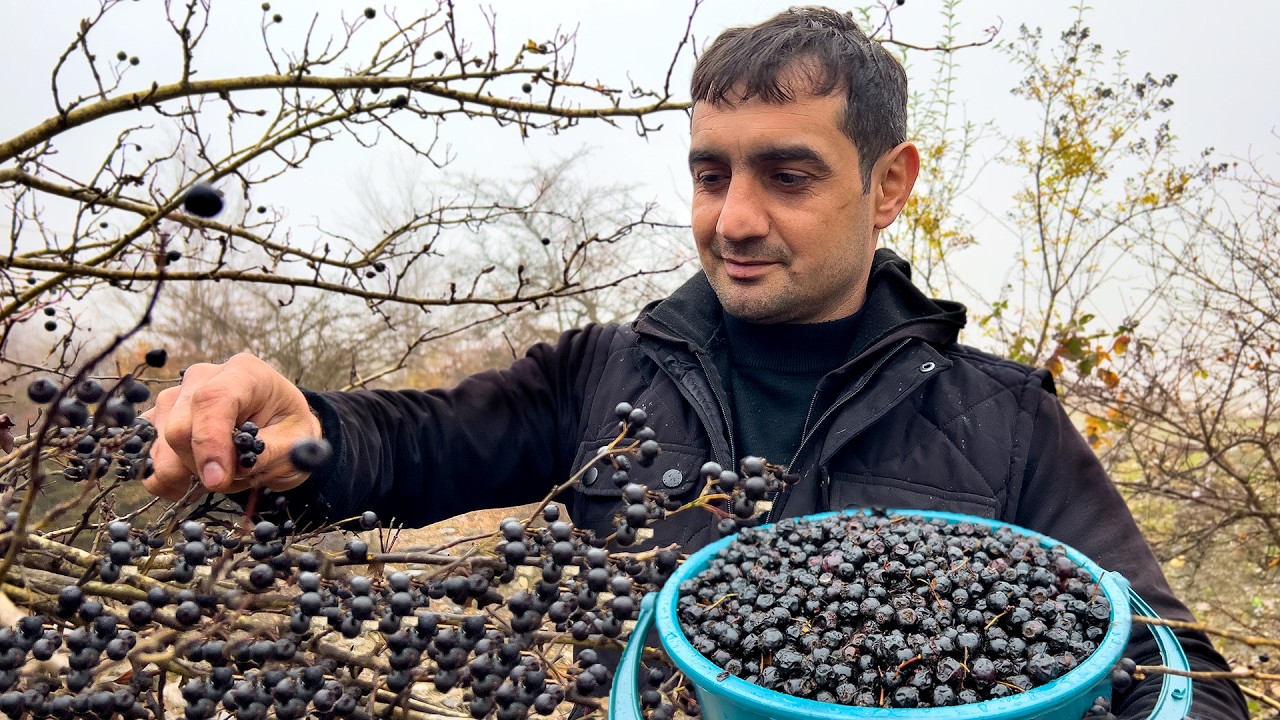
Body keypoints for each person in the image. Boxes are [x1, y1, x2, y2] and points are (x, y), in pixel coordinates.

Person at [142, 7, 1246, 718]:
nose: (735, 218)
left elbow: (1185, 680)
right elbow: (421, 446)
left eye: (787, 176)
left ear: (890, 184)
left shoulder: (1001, 420)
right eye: (710, 175)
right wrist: (303, 437)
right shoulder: (607, 377)